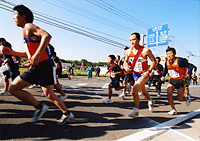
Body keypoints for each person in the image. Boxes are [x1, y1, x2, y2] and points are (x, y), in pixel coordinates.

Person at [2, 5, 74, 125]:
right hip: (43, 65)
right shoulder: (25, 31)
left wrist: (37, 54)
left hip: (43, 65)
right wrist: (11, 52)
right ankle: (67, 114)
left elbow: (47, 35)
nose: (13, 18)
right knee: (49, 94)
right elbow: (29, 53)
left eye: (15, 15)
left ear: (23, 16)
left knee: (13, 88)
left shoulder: (28, 26)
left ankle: (40, 107)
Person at [124, 32, 156, 118]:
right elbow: (125, 61)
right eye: (130, 40)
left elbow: (154, 61)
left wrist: (149, 71)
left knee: (134, 90)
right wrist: (126, 66)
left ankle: (136, 110)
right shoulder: (128, 51)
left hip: (144, 74)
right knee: (143, 92)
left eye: (134, 39)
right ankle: (150, 100)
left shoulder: (146, 51)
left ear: (138, 39)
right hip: (135, 74)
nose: (132, 42)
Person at [161, 47, 192, 115]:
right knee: (169, 94)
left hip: (181, 81)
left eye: (170, 53)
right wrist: (163, 76)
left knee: (180, 99)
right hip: (172, 80)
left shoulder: (180, 60)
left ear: (174, 53)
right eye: (167, 54)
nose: (169, 55)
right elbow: (165, 70)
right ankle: (173, 109)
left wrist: (188, 73)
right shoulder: (167, 62)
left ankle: (187, 98)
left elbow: (190, 66)